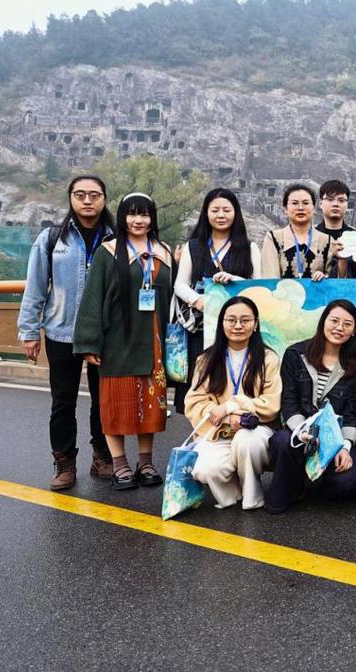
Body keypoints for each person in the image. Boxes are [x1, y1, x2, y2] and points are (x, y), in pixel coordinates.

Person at [18, 175, 115, 489]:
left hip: (105, 334)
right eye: (80, 194)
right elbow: (35, 286)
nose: (87, 200)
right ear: (71, 198)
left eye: (94, 195)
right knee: (63, 401)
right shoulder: (52, 238)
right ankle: (64, 463)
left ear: (104, 199)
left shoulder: (116, 238)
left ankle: (103, 456)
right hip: (61, 331)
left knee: (104, 400)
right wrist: (29, 331)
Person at [73, 193, 173, 491]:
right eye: (132, 214)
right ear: (122, 218)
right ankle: (119, 464)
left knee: (150, 404)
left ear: (152, 218)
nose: (138, 220)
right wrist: (89, 342)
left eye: (145, 214)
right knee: (116, 403)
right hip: (117, 339)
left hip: (154, 340)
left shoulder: (164, 251)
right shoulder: (108, 251)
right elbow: (93, 297)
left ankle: (146, 462)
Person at [266, 300, 356, 512]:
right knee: (282, 441)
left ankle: (318, 479)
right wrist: (302, 431)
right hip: (301, 430)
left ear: (354, 331)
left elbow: (352, 414)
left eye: (347, 324)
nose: (339, 328)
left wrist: (345, 447)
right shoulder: (295, 354)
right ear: (323, 322)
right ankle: (293, 486)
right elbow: (289, 401)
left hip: (335, 437)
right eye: (334, 321)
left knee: (348, 482)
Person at [184, 296, 282, 510]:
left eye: (245, 320)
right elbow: (194, 402)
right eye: (231, 320)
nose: (238, 325)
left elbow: (272, 403)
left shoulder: (268, 359)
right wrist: (228, 418)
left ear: (255, 324)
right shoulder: (206, 360)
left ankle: (252, 495)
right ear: (222, 323)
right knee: (204, 470)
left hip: (256, 429)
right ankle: (233, 494)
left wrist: (232, 406)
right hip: (220, 430)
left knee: (247, 441)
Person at [172, 188, 261, 414]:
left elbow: (260, 287)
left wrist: (236, 281)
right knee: (200, 390)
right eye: (215, 210)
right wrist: (198, 300)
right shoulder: (194, 246)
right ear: (206, 213)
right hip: (200, 329)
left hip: (238, 331)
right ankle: (198, 433)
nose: (221, 215)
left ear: (235, 213)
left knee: (234, 386)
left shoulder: (249, 248)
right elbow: (180, 284)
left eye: (226, 210)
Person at [261, 183, 332, 279]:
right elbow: (270, 278)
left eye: (306, 203)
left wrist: (324, 277)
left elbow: (334, 279)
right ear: (285, 209)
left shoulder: (326, 241)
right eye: (294, 203)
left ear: (314, 208)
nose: (300, 208)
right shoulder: (274, 238)